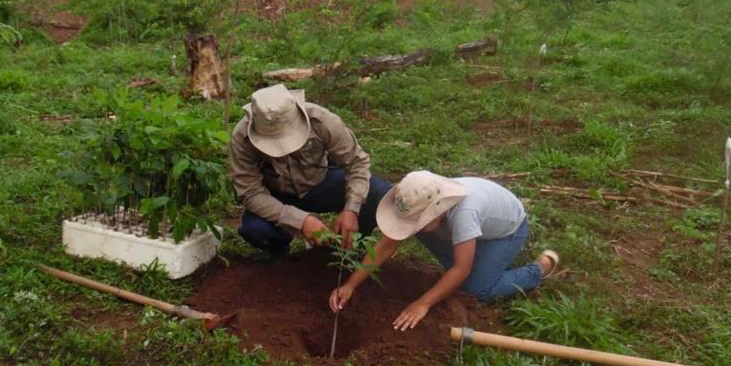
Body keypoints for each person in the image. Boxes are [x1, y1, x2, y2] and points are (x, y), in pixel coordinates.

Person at [328, 170, 559, 331]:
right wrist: (350, 284)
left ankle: (539, 269)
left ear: (437, 212)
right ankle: (484, 262)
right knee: (416, 232)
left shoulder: (465, 214)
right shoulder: (422, 197)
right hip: (464, 230)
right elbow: (387, 244)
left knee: (478, 288)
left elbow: (461, 269)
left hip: (506, 232)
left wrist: (423, 304)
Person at [228, 84, 391, 258]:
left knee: (378, 192)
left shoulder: (322, 121)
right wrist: (301, 221)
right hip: (277, 195)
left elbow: (357, 162)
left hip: (321, 183)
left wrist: (351, 209)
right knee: (255, 229)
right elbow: (251, 193)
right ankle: (279, 249)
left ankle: (353, 242)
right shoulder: (242, 138)